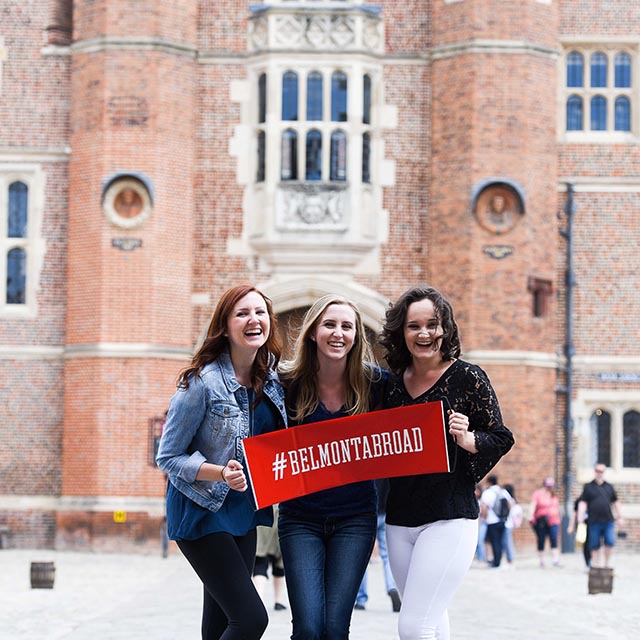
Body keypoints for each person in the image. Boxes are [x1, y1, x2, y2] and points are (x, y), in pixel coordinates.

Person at [379, 285, 514, 640]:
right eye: (414, 326)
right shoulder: (390, 385)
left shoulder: (468, 377)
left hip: (449, 517)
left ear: (446, 328)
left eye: (432, 324)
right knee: (430, 619)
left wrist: (469, 440)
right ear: (401, 332)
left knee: (413, 626)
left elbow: (501, 437)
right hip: (399, 520)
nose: (424, 333)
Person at [156, 284, 288, 640]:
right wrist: (220, 473)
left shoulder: (273, 379)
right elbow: (167, 456)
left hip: (243, 512)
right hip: (201, 509)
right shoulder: (201, 383)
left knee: (219, 624)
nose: (253, 320)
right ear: (225, 325)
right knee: (250, 619)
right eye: (242, 313)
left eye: (260, 312)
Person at [277, 294, 384, 640]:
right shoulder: (286, 385)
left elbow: (421, 403)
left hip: (355, 518)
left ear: (356, 335)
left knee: (336, 629)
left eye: (347, 326)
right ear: (312, 332)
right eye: (329, 324)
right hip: (300, 518)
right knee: (307, 628)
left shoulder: (376, 385)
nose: (338, 333)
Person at [354, 478, 402, 613]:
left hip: (367, 512)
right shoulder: (385, 463)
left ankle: (360, 599)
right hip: (385, 511)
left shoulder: (368, 463)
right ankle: (392, 587)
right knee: (387, 555)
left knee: (362, 556)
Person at [570, 463, 623, 568]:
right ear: (595, 472)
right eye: (597, 471)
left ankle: (607, 564)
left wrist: (620, 516)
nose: (599, 473)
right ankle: (595, 564)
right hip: (594, 521)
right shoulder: (589, 487)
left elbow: (615, 502)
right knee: (594, 544)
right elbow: (582, 503)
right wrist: (580, 517)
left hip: (608, 520)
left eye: (601, 471)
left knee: (609, 541)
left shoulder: (609, 487)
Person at [253, 504, 288, 612]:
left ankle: (259, 600)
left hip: (264, 517)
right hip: (281, 518)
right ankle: (278, 600)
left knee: (260, 562)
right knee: (279, 564)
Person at [528, 476, 562, 568]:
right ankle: (541, 560)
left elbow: (557, 507)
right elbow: (533, 505)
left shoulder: (554, 495)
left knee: (554, 538)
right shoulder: (538, 494)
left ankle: (555, 559)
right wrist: (530, 515)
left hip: (553, 520)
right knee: (541, 539)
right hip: (541, 520)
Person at [480, 475, 512, 568]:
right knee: (501, 541)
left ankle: (496, 562)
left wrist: (484, 517)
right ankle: (499, 560)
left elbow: (484, 506)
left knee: (494, 541)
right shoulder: (503, 491)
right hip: (503, 520)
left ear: (489, 482)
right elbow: (510, 503)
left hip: (492, 521)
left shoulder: (488, 492)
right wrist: (507, 515)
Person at [502, 483, 523, 568]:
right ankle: (508, 560)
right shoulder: (512, 500)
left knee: (507, 542)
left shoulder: (509, 500)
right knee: (506, 542)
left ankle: (510, 560)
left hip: (508, 524)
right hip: (509, 524)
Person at [567, 496, 591, 569]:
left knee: (593, 544)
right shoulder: (579, 500)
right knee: (585, 544)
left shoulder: (593, 498)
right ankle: (588, 562)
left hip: (592, 525)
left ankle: (592, 561)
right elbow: (574, 514)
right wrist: (571, 526)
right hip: (582, 526)